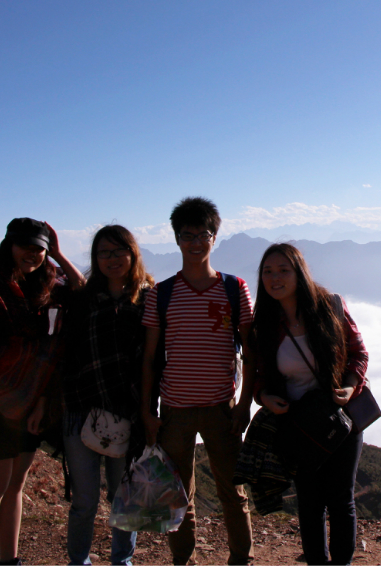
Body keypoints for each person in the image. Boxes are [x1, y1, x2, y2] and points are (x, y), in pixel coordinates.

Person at [0, 217, 85, 566]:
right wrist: (27, 391)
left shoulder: (45, 282)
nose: (32, 255)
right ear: (9, 246)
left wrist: (58, 254)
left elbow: (82, 291)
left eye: (39, 249)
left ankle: (9, 560)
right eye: (25, 247)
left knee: (16, 484)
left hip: (32, 399)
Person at [141, 197, 256, 566]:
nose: (195, 242)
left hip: (223, 408)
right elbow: (149, 359)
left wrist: (244, 404)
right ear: (176, 239)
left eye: (202, 234)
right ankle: (183, 561)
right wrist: (148, 412)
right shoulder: (160, 294)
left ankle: (241, 559)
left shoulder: (234, 289)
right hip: (174, 409)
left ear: (214, 237)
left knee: (233, 493)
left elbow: (251, 353)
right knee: (179, 496)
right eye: (186, 235)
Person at [253, 243, 369, 566]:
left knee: (341, 498)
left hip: (341, 419)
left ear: (299, 272)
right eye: (268, 271)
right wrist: (263, 397)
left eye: (283, 270)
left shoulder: (331, 306)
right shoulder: (264, 322)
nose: (275, 278)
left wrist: (348, 388)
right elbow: (260, 374)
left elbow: (359, 354)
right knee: (309, 501)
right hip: (299, 424)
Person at [60, 225, 154, 566]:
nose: (112, 259)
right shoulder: (83, 299)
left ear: (132, 253)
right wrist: (56, 254)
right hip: (81, 408)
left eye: (118, 251)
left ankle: (122, 561)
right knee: (84, 501)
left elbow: (154, 357)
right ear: (95, 259)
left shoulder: (149, 296)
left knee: (123, 497)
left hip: (128, 411)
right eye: (104, 253)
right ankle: (78, 562)